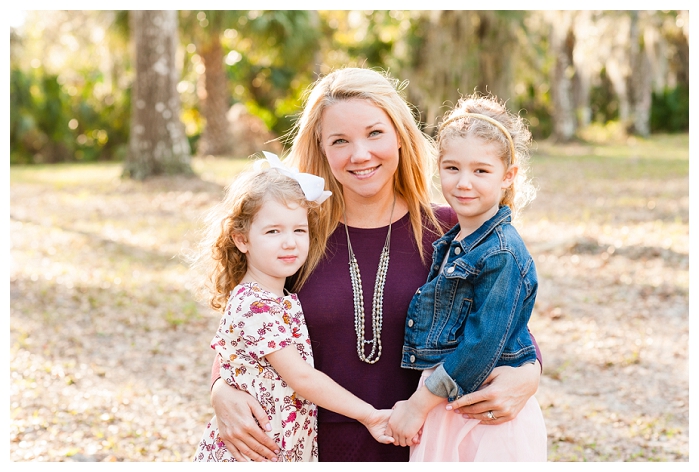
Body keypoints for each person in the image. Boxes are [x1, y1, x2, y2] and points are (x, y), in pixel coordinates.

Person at [208, 67, 543, 462]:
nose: (360, 154)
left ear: (400, 136)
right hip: (311, 449)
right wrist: (220, 391)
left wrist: (529, 373)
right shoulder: (295, 237)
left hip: (426, 443)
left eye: (374, 133)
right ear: (322, 147)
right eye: (340, 140)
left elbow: (503, 320)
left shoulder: (453, 231)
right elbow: (246, 326)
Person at [192, 157, 395, 462]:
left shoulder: (280, 298)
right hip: (254, 453)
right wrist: (369, 415)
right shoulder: (255, 304)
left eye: (299, 230)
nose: (289, 243)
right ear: (242, 239)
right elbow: (302, 378)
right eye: (273, 232)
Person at [387, 93, 547, 461]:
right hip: (449, 402)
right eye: (452, 168)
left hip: (476, 411)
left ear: (508, 177)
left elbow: (482, 344)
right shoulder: (455, 239)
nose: (463, 183)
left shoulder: (501, 252)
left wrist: (417, 405)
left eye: (481, 171)